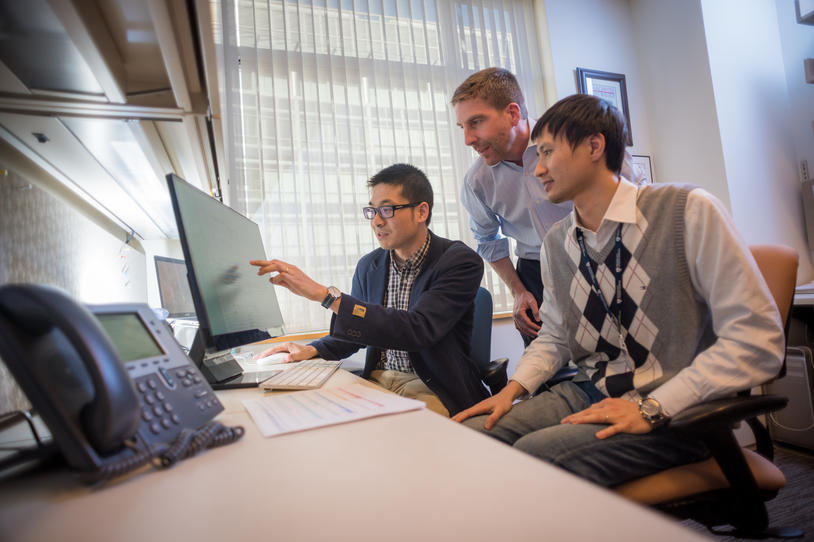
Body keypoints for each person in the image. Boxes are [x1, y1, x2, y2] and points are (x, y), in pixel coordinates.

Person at [452, 93, 784, 487]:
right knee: (470, 436)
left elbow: (756, 341)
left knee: (532, 459)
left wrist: (653, 408)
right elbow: (555, 335)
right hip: (594, 391)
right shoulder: (557, 244)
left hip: (676, 406)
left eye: (546, 153)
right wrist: (512, 390)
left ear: (594, 145)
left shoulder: (687, 210)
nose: (537, 169)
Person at [251, 164, 489, 417]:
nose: (376, 221)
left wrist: (327, 296)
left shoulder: (459, 261)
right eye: (372, 211)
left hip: (432, 386)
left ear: (421, 212)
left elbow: (418, 330)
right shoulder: (369, 266)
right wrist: (310, 349)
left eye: (387, 210)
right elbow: (359, 333)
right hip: (376, 381)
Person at [452, 68, 642, 346]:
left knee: (623, 351)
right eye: (463, 128)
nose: (468, 138)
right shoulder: (477, 182)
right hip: (535, 272)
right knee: (548, 367)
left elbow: (635, 193)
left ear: (513, 113)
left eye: (476, 122)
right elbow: (487, 239)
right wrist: (518, 291)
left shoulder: (578, 138)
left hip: (605, 256)